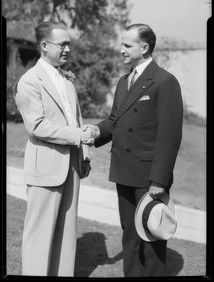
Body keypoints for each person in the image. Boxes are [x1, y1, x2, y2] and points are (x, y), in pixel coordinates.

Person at [85, 23, 183, 277]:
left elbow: (169, 137)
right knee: (130, 236)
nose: (121, 50)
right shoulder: (123, 81)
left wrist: (159, 180)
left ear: (144, 47)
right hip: (124, 171)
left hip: (149, 177)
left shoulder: (165, 81)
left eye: (127, 45)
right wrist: (96, 132)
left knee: (150, 238)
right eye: (122, 44)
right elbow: (114, 121)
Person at [13, 21, 95, 277]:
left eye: (69, 43)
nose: (68, 49)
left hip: (71, 166)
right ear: (44, 46)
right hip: (46, 169)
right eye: (63, 44)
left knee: (66, 235)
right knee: (39, 237)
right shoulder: (29, 81)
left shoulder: (66, 79)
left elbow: (75, 118)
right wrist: (79, 136)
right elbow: (37, 126)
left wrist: (84, 156)